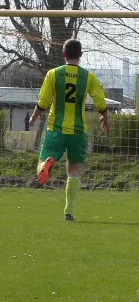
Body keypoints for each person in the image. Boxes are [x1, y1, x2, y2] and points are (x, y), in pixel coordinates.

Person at [29, 39, 110, 221]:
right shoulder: (88, 77)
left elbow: (43, 100)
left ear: (63, 54)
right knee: (73, 170)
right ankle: (68, 211)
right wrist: (105, 117)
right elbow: (100, 101)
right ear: (80, 56)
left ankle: (47, 163)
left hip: (55, 130)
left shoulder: (53, 74)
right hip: (78, 132)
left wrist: (34, 116)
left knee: (41, 163)